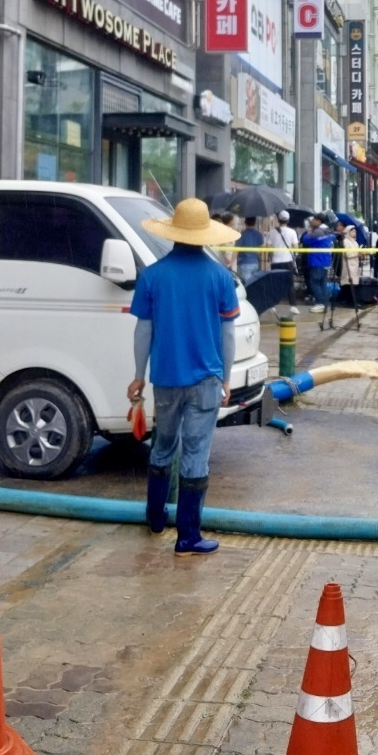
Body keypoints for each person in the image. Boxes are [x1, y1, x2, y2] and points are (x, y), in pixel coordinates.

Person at [127, 199, 240, 556]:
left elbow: (143, 332)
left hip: (165, 378)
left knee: (163, 446)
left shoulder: (152, 275)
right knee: (196, 454)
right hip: (206, 380)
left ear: (174, 233)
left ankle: (155, 517)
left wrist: (137, 376)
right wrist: (225, 377)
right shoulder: (221, 276)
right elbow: (228, 334)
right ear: (205, 235)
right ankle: (188, 535)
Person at [300, 216, 334, 311]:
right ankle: (325, 302)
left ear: (319, 221)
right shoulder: (328, 231)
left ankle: (320, 303)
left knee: (314, 282)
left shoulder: (318, 232)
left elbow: (305, 240)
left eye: (313, 220)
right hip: (325, 260)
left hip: (317, 260)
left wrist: (309, 232)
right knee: (322, 282)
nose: (311, 221)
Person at [235, 216, 265, 284]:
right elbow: (261, 249)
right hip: (255, 263)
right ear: (254, 223)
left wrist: (231, 262)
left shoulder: (242, 235)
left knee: (246, 285)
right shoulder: (259, 234)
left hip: (244, 263)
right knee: (254, 284)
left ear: (245, 222)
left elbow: (236, 249)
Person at [335, 219, 361, 296]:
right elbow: (347, 254)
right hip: (348, 266)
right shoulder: (345, 241)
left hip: (355, 265)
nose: (355, 233)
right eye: (352, 231)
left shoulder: (355, 242)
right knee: (348, 284)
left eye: (355, 231)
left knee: (353, 284)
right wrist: (358, 253)